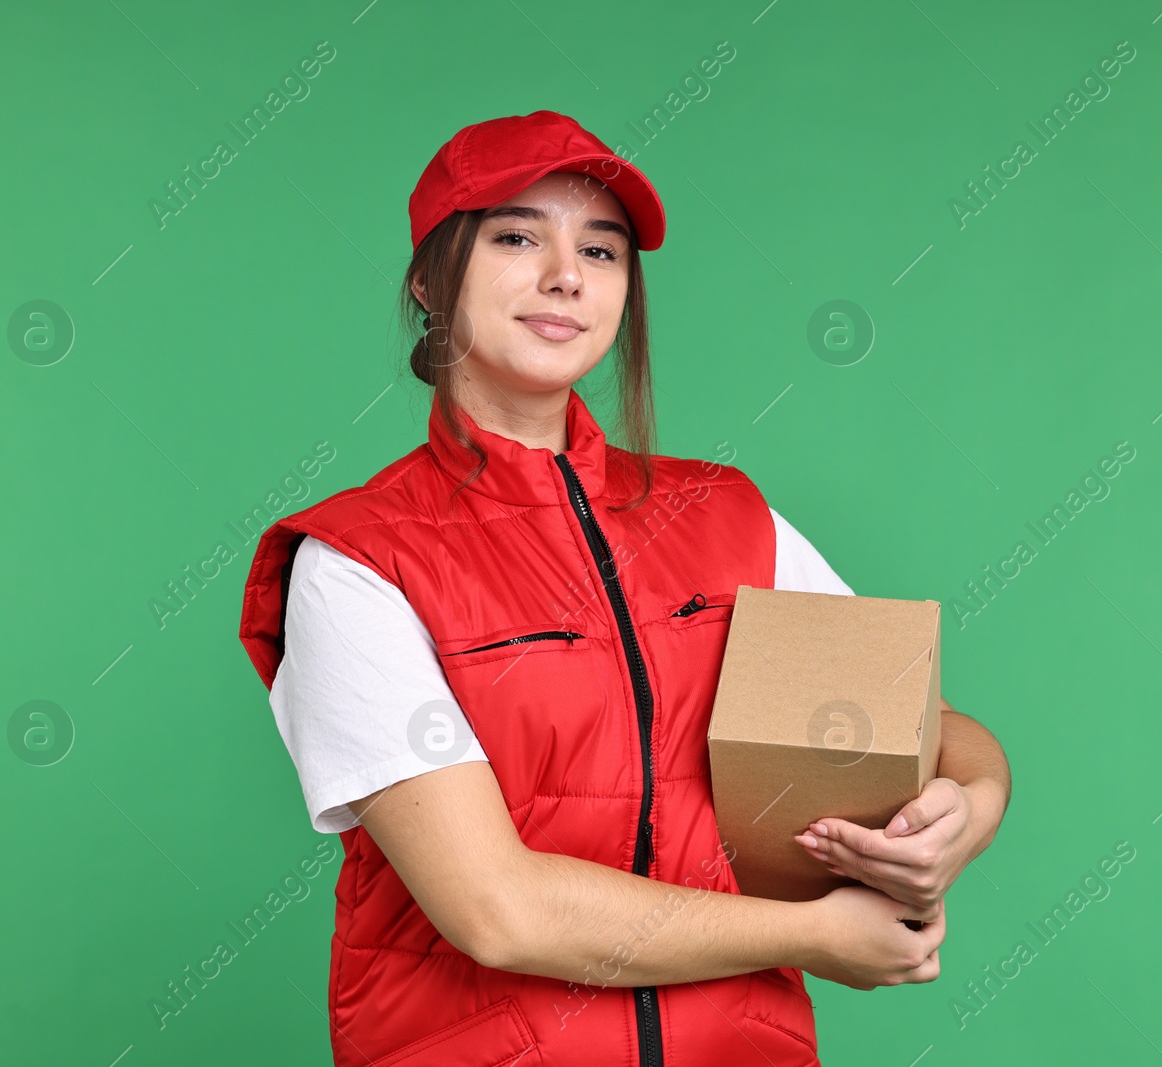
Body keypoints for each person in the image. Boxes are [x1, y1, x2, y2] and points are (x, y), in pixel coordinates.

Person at [238, 110, 1011, 1067]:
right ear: (429, 279)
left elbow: (930, 731)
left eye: (600, 251)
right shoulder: (357, 560)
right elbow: (498, 910)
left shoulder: (730, 518)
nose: (567, 273)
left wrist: (966, 815)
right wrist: (813, 936)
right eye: (519, 236)